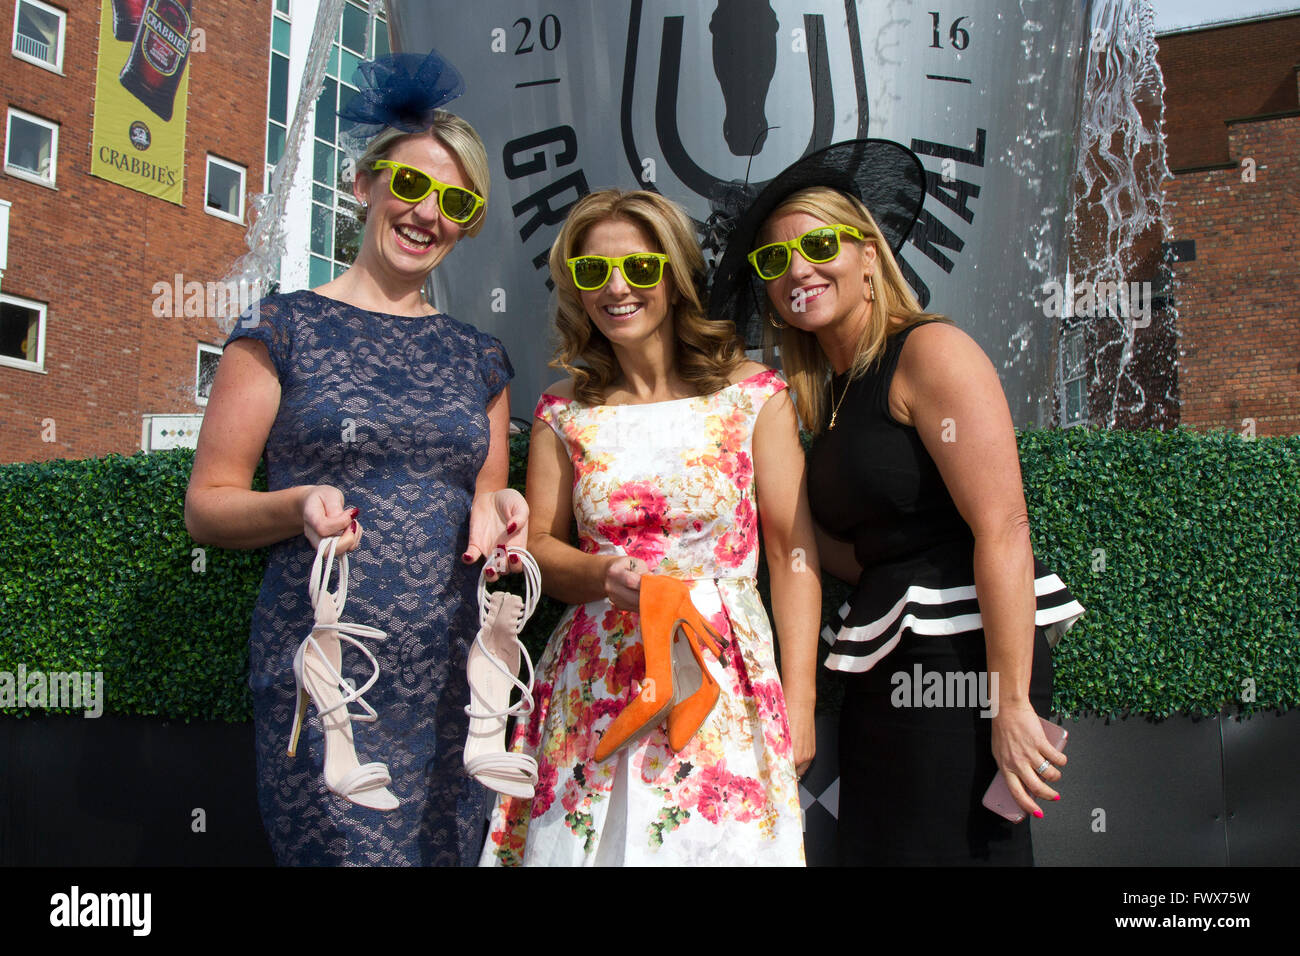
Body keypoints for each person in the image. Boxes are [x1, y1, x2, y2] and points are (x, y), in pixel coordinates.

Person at [185, 50, 525, 866]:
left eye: (455, 201)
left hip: (457, 680)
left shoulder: (479, 358)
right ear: (365, 184)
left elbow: (489, 504)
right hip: (332, 673)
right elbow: (209, 505)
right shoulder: (282, 328)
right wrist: (294, 504)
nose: (427, 213)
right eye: (410, 186)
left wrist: (505, 515)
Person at [710, 140, 1084, 865]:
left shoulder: (930, 352)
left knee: (950, 849)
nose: (797, 270)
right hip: (885, 662)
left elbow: (1003, 527)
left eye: (818, 245)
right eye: (772, 260)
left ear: (869, 257)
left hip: (962, 662)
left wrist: (1010, 703)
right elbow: (866, 551)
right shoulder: (834, 392)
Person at [480, 190, 819, 866]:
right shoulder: (562, 411)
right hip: (597, 675)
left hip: (726, 678)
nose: (615, 288)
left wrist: (800, 703)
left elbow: (791, 555)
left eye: (639, 269)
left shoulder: (754, 395)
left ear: (675, 274)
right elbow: (540, 549)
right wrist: (601, 574)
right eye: (591, 272)